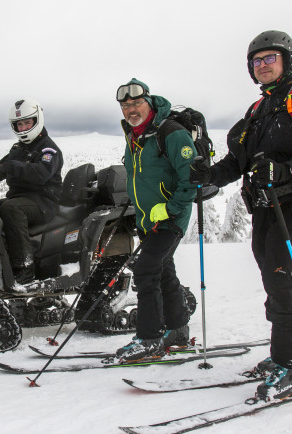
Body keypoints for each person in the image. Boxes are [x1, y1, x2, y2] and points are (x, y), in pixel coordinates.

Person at [189, 30, 292, 400]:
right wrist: (209, 175)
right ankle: (285, 356)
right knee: (272, 273)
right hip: (264, 203)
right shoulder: (258, 111)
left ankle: (291, 365)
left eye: (269, 58)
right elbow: (237, 162)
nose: (262, 66)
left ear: (286, 60)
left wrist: (287, 170)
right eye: (256, 61)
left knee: (279, 272)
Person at [114, 78, 196, 362]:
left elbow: (191, 179)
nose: (131, 109)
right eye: (126, 106)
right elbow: (140, 181)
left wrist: (170, 210)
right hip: (149, 220)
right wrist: (141, 216)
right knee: (163, 271)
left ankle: (149, 339)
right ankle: (177, 331)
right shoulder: (134, 137)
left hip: (170, 218)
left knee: (146, 270)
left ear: (149, 102)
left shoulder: (171, 133)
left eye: (136, 103)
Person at [0, 98, 63, 285]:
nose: (23, 128)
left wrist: (10, 167)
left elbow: (41, 173)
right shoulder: (18, 149)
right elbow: (1, 169)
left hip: (44, 203)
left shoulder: (49, 149)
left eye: (27, 123)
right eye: (19, 124)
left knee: (11, 209)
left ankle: (25, 267)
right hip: (21, 199)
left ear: (37, 121)